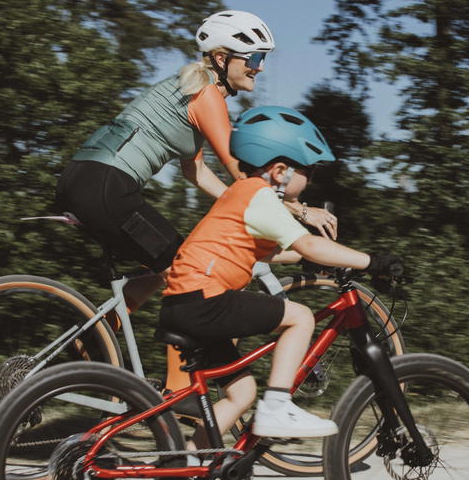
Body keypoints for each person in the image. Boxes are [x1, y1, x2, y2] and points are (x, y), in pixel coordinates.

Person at [55, 10, 336, 388]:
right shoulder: (206, 96)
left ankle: (87, 343)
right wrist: (299, 209)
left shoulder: (191, 89)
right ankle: (180, 391)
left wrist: (238, 204)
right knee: (188, 279)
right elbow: (244, 173)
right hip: (107, 184)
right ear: (222, 59)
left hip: (88, 180)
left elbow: (197, 171)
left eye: (263, 58)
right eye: (254, 58)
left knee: (168, 267)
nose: (260, 67)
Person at [158, 105, 404, 442]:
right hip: (204, 299)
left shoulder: (243, 193)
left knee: (241, 394)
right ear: (279, 171)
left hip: (186, 302)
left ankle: (189, 460)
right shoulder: (259, 196)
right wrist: (373, 261)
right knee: (301, 317)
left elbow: (270, 252)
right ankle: (277, 406)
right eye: (308, 171)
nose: (310, 180)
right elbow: (310, 244)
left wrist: (306, 259)